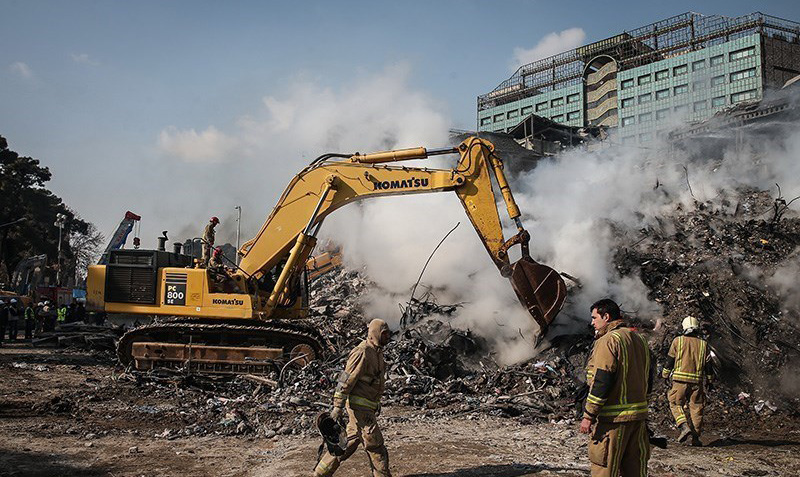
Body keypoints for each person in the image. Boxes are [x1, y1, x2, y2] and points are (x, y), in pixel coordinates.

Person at [580, 298, 653, 477]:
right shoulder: (640, 339)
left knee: (604, 468)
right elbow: (649, 379)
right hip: (638, 418)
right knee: (635, 470)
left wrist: (589, 415)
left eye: (594, 317)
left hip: (613, 420)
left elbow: (602, 380)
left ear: (606, 316)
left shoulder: (608, 340)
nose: (592, 323)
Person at [314, 319, 391, 477]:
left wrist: (376, 403)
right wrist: (337, 406)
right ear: (375, 334)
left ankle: (320, 473)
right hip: (360, 409)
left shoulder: (377, 351)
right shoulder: (362, 352)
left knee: (348, 443)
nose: (388, 337)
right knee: (376, 446)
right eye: (385, 334)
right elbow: (346, 379)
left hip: (367, 407)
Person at [662, 316, 714, 446]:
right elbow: (709, 366)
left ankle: (684, 426)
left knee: (675, 403)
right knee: (697, 408)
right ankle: (696, 439)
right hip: (697, 382)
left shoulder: (677, 341)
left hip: (679, 381)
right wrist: (709, 381)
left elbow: (670, 361)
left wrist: (665, 375)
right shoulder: (703, 344)